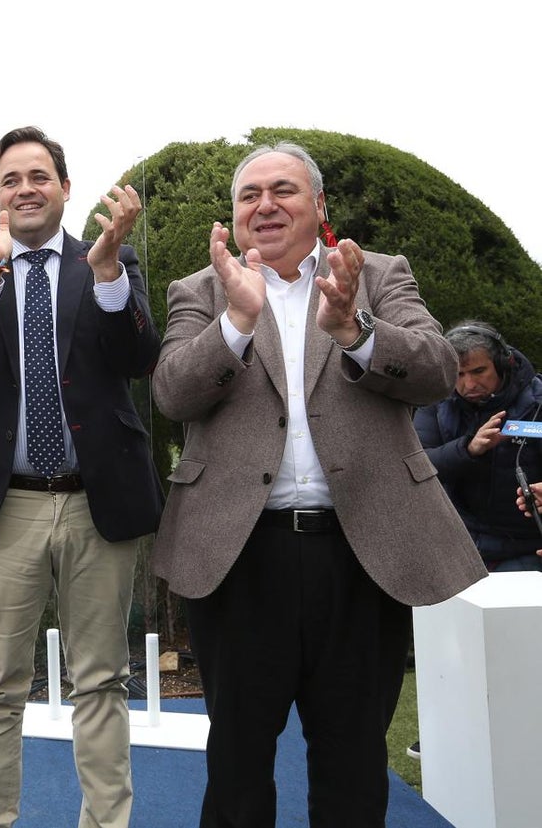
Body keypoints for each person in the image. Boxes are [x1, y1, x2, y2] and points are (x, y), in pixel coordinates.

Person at [151, 141, 488, 827]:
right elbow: (171, 393)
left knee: (354, 763)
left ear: (319, 206)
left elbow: (435, 367)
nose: (265, 204)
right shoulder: (201, 289)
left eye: (284, 190)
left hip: (363, 553)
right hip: (241, 558)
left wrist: (357, 329)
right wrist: (237, 322)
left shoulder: (377, 275)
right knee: (238, 766)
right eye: (250, 194)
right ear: (236, 215)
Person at [0, 126, 162, 828]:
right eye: (10, 179)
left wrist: (112, 274)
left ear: (64, 187)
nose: (25, 188)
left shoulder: (109, 260)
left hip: (97, 501)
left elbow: (139, 354)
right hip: (3, 507)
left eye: (39, 175)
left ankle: (106, 822)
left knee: (102, 680)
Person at [415, 321, 542, 572]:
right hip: (458, 547)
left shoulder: (538, 400)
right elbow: (419, 466)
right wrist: (468, 449)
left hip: (527, 548)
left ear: (504, 364)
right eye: (458, 374)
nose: (468, 385)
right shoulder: (435, 400)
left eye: (478, 371)